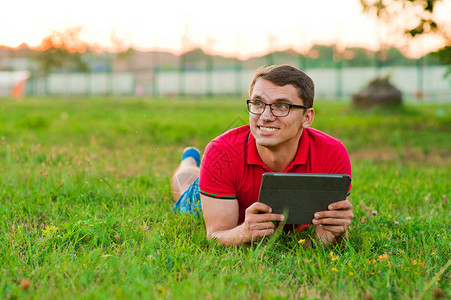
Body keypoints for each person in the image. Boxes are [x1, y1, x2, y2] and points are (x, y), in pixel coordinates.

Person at [171, 64, 353, 247]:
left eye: (281, 106)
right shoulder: (221, 152)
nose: (265, 116)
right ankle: (189, 158)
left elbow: (328, 236)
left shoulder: (332, 153)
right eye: (258, 103)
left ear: (307, 117)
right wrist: (244, 232)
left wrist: (334, 232)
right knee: (185, 184)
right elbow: (216, 235)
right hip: (219, 190)